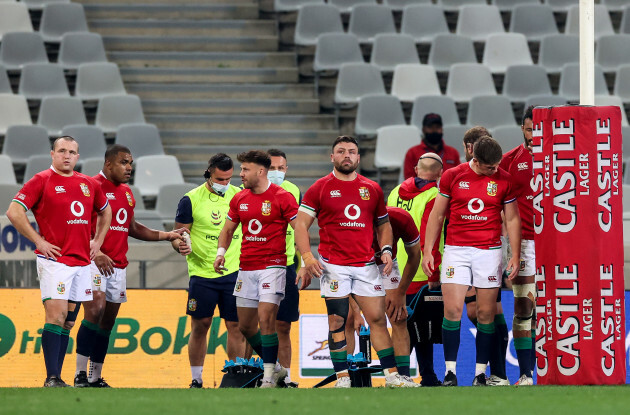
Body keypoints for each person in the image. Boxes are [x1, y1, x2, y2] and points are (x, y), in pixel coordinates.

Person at [294, 135, 417, 388]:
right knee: (338, 321)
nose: (346, 155)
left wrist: (385, 248)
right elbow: (301, 226)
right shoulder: (320, 188)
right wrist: (307, 257)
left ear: (359, 157)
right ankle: (342, 378)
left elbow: (384, 224)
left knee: (377, 320)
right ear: (332, 157)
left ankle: (392, 377)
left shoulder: (371, 188)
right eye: (341, 151)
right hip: (334, 265)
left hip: (365, 266)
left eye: (351, 151)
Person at [73, 145, 185, 388]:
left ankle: (94, 376)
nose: (129, 167)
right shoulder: (89, 187)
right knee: (95, 309)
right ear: (108, 164)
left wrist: (167, 235)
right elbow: (77, 226)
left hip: (118, 266)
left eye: (130, 163)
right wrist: (97, 251)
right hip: (93, 261)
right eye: (124, 162)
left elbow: (131, 227)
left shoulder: (126, 193)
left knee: (108, 321)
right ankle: (79, 374)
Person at [6, 136, 112, 387]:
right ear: (52, 154)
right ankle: (51, 377)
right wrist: (38, 241)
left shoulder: (88, 183)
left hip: (82, 262)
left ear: (78, 156)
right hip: (54, 260)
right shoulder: (41, 180)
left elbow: (105, 210)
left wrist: (98, 240)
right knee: (56, 315)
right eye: (62, 151)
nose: (67, 156)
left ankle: (58, 377)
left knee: (69, 321)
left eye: (72, 152)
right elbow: (14, 211)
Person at [422, 136, 521, 386]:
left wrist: (515, 254)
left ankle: (479, 374)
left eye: (497, 166)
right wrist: (428, 251)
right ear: (475, 160)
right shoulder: (453, 176)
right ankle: (450, 373)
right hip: (457, 250)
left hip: (489, 251)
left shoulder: (504, 179)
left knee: (486, 313)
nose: (495, 170)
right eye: (490, 167)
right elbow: (437, 215)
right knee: (453, 310)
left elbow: (511, 220)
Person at [213, 150, 299, 388]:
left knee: (266, 318)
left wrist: (309, 257)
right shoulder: (239, 198)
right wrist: (220, 254)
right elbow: (228, 230)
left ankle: (269, 376)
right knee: (246, 326)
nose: (240, 174)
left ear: (260, 172)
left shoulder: (283, 197)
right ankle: (278, 367)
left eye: (244, 170)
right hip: (246, 267)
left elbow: (299, 228)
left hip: (273, 265)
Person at [171, 153, 246, 388]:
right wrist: (180, 244)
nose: (225, 184)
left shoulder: (240, 196)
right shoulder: (190, 199)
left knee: (235, 326)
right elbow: (178, 235)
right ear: (209, 174)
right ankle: (196, 378)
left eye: (229, 179)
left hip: (233, 271)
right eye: (221, 179)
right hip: (201, 273)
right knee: (200, 325)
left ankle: (235, 376)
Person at [387, 153, 444, 386]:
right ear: (440, 174)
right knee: (423, 329)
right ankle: (419, 376)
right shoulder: (434, 196)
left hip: (395, 269)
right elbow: (430, 235)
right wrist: (434, 272)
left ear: (416, 169)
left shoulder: (395, 191)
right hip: (421, 269)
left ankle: (403, 375)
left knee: (402, 324)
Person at [461, 126, 510, 386]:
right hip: (465, 249)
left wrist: (503, 249)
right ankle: (496, 371)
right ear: (469, 147)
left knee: (487, 310)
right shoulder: (461, 174)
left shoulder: (497, 175)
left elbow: (504, 214)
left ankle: (498, 372)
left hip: (488, 249)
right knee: (475, 312)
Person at [499, 106, 536, 386]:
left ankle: (556, 371)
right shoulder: (511, 160)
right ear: (522, 129)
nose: (534, 135)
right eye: (529, 129)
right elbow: (500, 206)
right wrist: (508, 248)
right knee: (524, 307)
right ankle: (525, 374)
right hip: (524, 246)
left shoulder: (566, 161)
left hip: (558, 245)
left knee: (557, 308)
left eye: (539, 130)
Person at [267, 149, 301, 388]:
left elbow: (299, 229)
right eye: (272, 167)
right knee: (254, 325)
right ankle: (254, 372)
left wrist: (303, 262)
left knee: (283, 326)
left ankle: (285, 376)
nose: (277, 172)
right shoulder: (246, 192)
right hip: (255, 265)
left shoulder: (294, 191)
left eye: (281, 168)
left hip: (286, 265)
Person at [403, 113, 461, 180]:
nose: (434, 130)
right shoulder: (412, 153)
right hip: (422, 190)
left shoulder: (453, 152)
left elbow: (458, 178)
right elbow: (409, 181)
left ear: (442, 129)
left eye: (437, 127)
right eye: (430, 127)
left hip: (448, 190)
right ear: (423, 129)